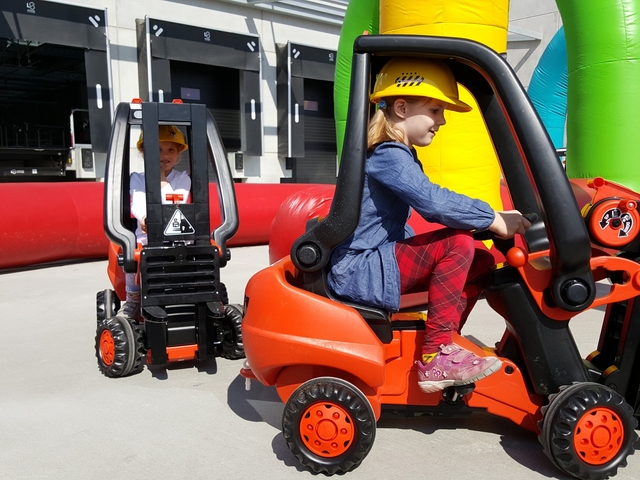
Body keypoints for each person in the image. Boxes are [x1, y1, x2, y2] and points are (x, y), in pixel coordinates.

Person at [327, 58, 531, 394]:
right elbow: (433, 201)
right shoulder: (386, 153)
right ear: (402, 107)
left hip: (373, 263)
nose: (442, 121)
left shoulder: (398, 154)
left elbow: (397, 223)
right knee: (457, 243)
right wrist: (492, 218)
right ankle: (436, 354)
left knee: (480, 259)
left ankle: (443, 341)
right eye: (436, 110)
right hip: (359, 269)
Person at [120, 125, 191, 319]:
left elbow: (175, 202)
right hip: (147, 236)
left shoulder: (183, 179)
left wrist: (159, 176)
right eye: (158, 150)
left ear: (178, 154)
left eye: (171, 150)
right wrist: (144, 217)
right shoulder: (137, 179)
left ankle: (198, 294)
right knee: (131, 254)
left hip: (178, 235)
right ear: (144, 152)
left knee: (201, 250)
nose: (164, 155)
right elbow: (139, 203)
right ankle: (133, 297)